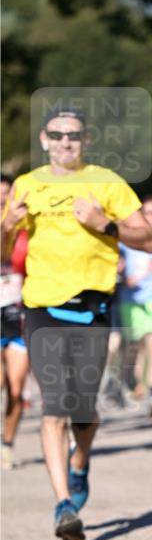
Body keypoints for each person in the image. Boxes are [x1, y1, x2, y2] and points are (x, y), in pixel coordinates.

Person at [0, 105, 152, 540]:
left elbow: (146, 239)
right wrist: (7, 226)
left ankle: (80, 461)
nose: (65, 141)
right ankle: (64, 504)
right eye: (57, 134)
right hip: (42, 309)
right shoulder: (27, 186)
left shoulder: (106, 182)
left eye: (74, 135)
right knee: (54, 406)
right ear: (44, 139)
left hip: (93, 309)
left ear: (85, 142)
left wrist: (103, 223)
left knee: (84, 412)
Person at [119, 197, 152, 417]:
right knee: (134, 349)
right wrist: (123, 276)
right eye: (149, 212)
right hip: (131, 300)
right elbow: (117, 265)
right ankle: (133, 383)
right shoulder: (126, 240)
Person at [0, 174, 30, 469]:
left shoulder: (27, 229)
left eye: (6, 194)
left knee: (17, 387)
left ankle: (7, 445)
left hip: (17, 310)